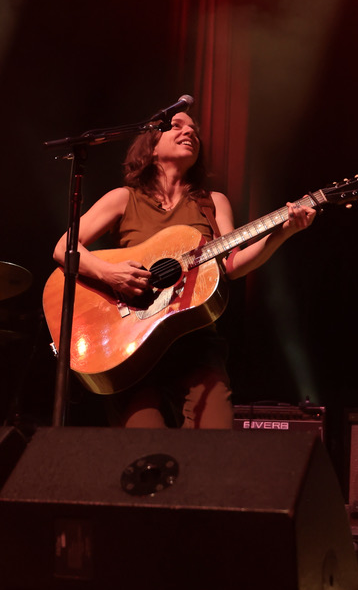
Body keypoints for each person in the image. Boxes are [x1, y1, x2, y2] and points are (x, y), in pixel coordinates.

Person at [51, 110, 315, 429]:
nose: (189, 132)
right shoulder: (123, 198)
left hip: (195, 341)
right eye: (176, 126)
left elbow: (231, 265)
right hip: (130, 345)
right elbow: (64, 247)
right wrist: (110, 274)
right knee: (144, 443)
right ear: (150, 146)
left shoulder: (212, 202)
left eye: (194, 129)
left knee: (214, 435)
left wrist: (283, 232)